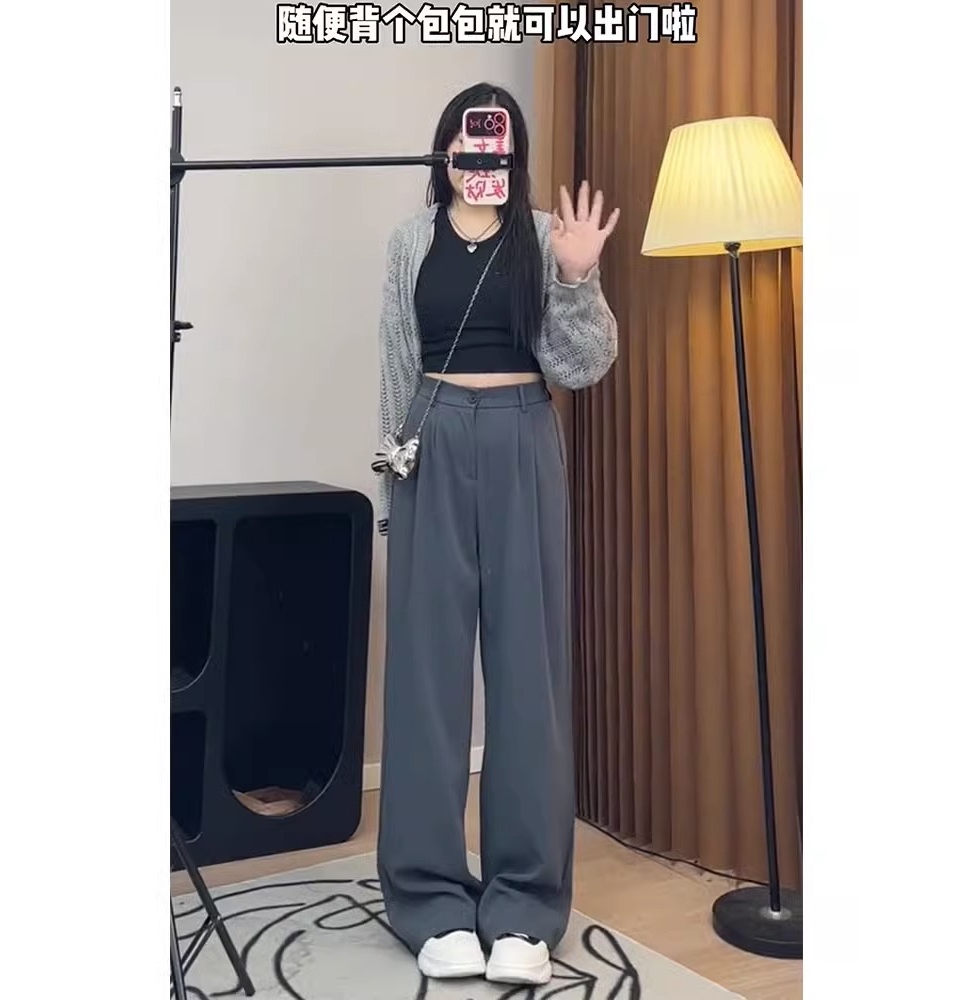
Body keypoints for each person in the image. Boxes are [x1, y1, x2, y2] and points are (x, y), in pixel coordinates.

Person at [373, 82, 620, 987]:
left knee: (529, 678)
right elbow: (397, 365)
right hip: (433, 438)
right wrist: (395, 473)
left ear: (513, 153)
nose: (482, 155)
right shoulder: (411, 241)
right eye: (469, 139)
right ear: (445, 148)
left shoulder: (546, 235)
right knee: (426, 677)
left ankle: (524, 906)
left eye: (498, 141)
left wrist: (578, 278)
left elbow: (580, 367)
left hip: (523, 438)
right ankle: (429, 900)